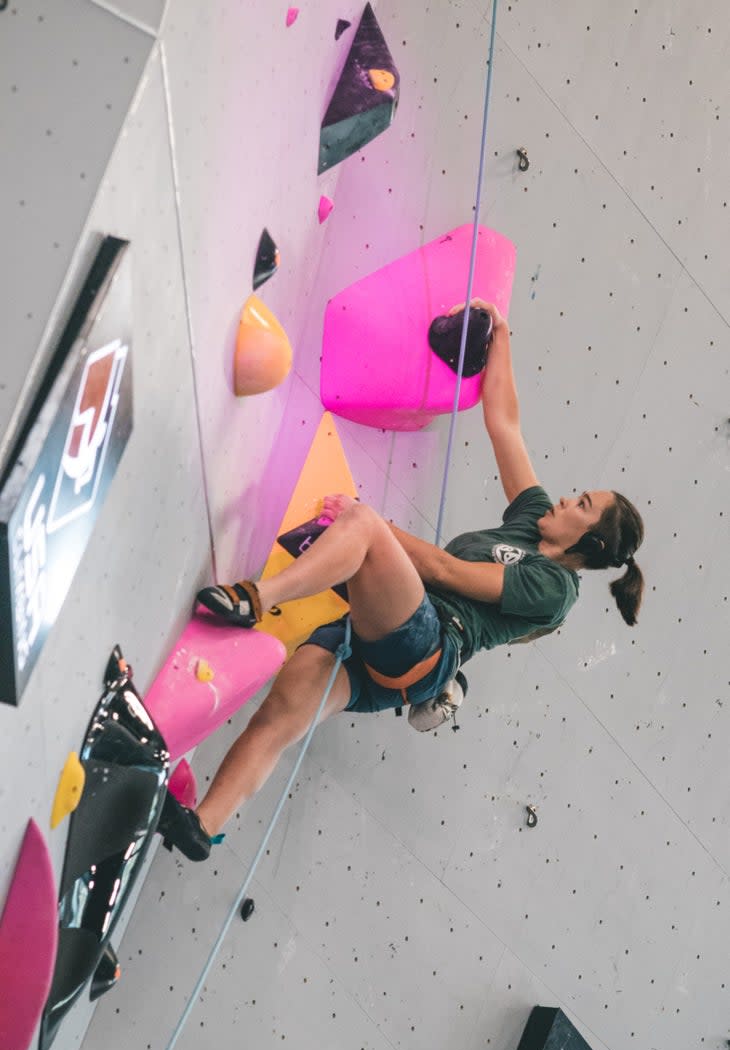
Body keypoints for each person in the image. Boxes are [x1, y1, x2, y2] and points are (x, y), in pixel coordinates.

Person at [156, 301, 645, 861]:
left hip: (430, 644)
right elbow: (504, 423)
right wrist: (502, 334)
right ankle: (200, 827)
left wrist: (375, 525)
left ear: (592, 542)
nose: (565, 496)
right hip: (386, 647)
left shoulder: (554, 589)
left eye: (581, 503)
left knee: (362, 526)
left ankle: (254, 599)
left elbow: (445, 571)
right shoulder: (532, 520)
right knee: (281, 714)